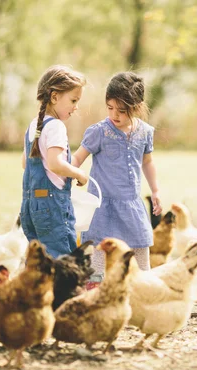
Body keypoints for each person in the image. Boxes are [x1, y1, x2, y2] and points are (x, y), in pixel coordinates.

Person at [73, 71, 162, 286]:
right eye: (110, 108)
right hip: (103, 207)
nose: (115, 115)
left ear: (137, 107)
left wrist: (156, 190)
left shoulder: (145, 132)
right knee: (98, 255)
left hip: (132, 204)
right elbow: (77, 157)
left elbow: (147, 162)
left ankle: (143, 291)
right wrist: (70, 173)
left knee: (140, 247)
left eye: (122, 111)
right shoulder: (100, 132)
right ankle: (93, 293)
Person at [20, 65, 88, 258]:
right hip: (52, 208)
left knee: (38, 258)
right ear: (55, 96)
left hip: (30, 206)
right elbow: (55, 164)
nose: (76, 107)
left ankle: (35, 288)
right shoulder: (56, 126)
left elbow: (25, 163)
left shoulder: (34, 125)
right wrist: (79, 174)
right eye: (73, 100)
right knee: (61, 257)